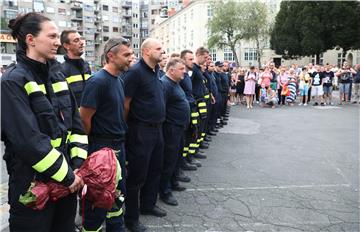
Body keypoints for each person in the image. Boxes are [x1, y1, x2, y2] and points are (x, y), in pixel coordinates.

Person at [1, 12, 85, 232]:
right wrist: (68, 175)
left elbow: (76, 126)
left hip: (67, 182)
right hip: (32, 184)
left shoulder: (58, 77)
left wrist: (77, 167)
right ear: (31, 39)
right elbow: (28, 141)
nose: (58, 42)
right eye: (52, 36)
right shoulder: (12, 81)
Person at [80, 37, 132, 232]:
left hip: (118, 146)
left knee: (117, 195)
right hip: (102, 148)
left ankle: (115, 228)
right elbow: (84, 119)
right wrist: (94, 149)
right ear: (111, 56)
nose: (130, 58)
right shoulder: (97, 81)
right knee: (98, 199)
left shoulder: (118, 80)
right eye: (126, 55)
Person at [123, 38, 166, 232]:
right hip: (140, 130)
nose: (162, 51)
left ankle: (148, 205)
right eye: (158, 48)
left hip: (157, 129)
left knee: (155, 169)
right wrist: (128, 129)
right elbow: (125, 103)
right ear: (146, 51)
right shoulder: (135, 73)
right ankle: (131, 219)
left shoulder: (155, 71)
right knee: (137, 176)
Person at [159, 58, 190, 206]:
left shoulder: (175, 83)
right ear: (171, 70)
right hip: (170, 129)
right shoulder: (165, 84)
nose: (184, 71)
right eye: (181, 69)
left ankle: (173, 182)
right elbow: (161, 108)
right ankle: (165, 191)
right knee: (168, 160)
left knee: (177, 157)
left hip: (178, 128)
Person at [60, 30, 91, 107]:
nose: (81, 43)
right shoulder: (61, 70)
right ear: (66, 46)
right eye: (76, 40)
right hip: (74, 118)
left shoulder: (86, 66)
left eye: (80, 39)